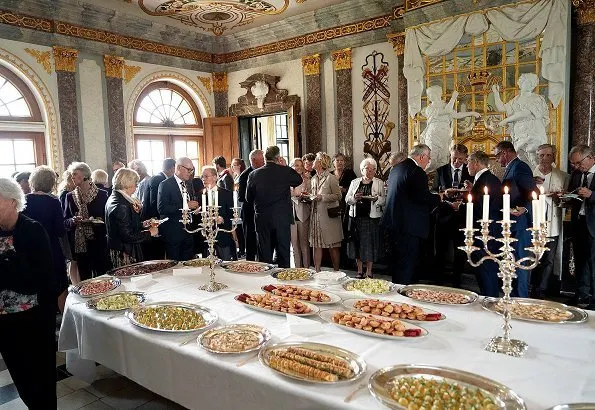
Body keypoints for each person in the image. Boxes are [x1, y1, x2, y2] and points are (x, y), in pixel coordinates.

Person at [0, 177, 57, 408]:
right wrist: (9, 265)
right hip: (4, 320)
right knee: (20, 374)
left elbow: (39, 279)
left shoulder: (32, 229)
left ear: (13, 202)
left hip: (34, 318)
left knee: (41, 376)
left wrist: (7, 269)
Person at [381, 144, 441, 285]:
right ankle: (404, 301)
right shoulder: (416, 171)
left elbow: (406, 195)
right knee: (407, 268)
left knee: (397, 266)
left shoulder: (396, 168)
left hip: (393, 224)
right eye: (428, 158)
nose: (428, 162)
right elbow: (422, 197)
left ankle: (398, 297)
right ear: (422, 157)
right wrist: (440, 197)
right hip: (409, 227)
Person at [22, 166, 69, 312]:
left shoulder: (24, 200)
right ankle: (64, 320)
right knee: (60, 284)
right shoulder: (53, 201)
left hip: (30, 249)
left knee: (39, 283)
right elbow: (60, 230)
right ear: (51, 183)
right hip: (51, 248)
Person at [494, 140, 537, 297]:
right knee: (511, 263)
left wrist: (525, 209)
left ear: (504, 153)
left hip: (520, 224)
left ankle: (522, 300)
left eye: (497, 156)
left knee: (520, 263)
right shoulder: (512, 167)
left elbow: (534, 193)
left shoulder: (520, 167)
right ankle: (512, 299)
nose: (497, 160)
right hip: (511, 224)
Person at [246, 146, 302, 267]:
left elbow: (248, 199)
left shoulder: (254, 174)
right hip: (281, 218)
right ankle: (284, 282)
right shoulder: (285, 171)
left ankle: (265, 282)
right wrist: (285, 166)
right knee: (283, 252)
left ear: (265, 158)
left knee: (264, 253)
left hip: (262, 219)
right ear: (278, 157)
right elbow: (298, 180)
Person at [532, 144, 569, 298]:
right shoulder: (529, 174)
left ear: (554, 156)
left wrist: (560, 197)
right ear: (537, 156)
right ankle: (530, 287)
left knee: (548, 259)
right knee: (533, 256)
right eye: (541, 155)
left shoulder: (563, 176)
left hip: (552, 223)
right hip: (533, 223)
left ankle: (542, 289)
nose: (544, 159)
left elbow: (567, 201)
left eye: (548, 155)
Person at [463, 151, 503, 296]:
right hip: (488, 231)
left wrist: (460, 206)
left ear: (476, 163)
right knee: (484, 270)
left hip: (485, 233)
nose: (467, 166)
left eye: (468, 162)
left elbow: (479, 207)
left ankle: (490, 301)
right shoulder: (489, 179)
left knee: (485, 269)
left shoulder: (485, 181)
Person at [432, 144, 471, 287]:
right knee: (440, 251)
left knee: (460, 251)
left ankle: (457, 282)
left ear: (466, 158)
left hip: (462, 218)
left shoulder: (470, 171)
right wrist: (445, 196)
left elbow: (475, 193)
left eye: (461, 159)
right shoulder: (441, 171)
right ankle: (438, 281)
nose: (457, 162)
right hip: (443, 216)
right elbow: (434, 192)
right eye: (454, 158)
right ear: (450, 155)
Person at [64, 162, 111, 281]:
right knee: (85, 278)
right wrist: (73, 220)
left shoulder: (102, 195)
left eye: (75, 174)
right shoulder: (70, 196)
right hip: (80, 243)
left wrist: (98, 220)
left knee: (102, 275)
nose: (72, 177)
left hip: (99, 241)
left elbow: (108, 219)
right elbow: (65, 221)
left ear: (85, 175)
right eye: (71, 175)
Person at [492, 73, 549, 169]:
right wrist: (495, 93)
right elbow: (502, 108)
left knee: (535, 158)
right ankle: (526, 181)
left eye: (533, 83)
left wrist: (506, 120)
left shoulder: (536, 98)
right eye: (529, 82)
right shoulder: (515, 100)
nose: (531, 85)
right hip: (519, 133)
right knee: (522, 160)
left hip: (532, 131)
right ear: (521, 83)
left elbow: (526, 113)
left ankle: (541, 181)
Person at [106, 168, 158, 267]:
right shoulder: (121, 204)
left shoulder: (115, 197)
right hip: (125, 252)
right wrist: (149, 233)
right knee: (130, 281)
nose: (137, 186)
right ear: (128, 184)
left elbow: (124, 225)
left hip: (121, 248)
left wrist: (142, 224)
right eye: (136, 183)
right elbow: (127, 236)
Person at [421, 86, 480, 172]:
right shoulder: (429, 108)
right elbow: (446, 111)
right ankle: (424, 175)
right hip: (433, 133)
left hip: (444, 133)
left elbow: (456, 115)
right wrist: (453, 98)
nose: (428, 97)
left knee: (443, 159)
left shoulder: (445, 105)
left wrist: (472, 113)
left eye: (429, 94)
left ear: (436, 94)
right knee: (432, 159)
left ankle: (441, 179)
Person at [345, 158, 386, 278]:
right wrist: (355, 198)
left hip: (372, 218)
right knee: (357, 244)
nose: (370, 172)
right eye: (367, 169)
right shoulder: (355, 182)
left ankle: (369, 271)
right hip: (356, 218)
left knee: (370, 245)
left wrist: (376, 199)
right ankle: (359, 270)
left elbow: (384, 200)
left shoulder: (379, 182)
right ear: (362, 170)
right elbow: (347, 199)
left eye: (372, 170)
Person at [566, 144, 595, 309]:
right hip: (578, 223)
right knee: (580, 261)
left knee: (593, 264)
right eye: (574, 164)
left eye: (578, 163)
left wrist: (591, 195)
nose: (576, 167)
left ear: (590, 157)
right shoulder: (576, 174)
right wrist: (565, 196)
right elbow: (572, 194)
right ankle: (581, 296)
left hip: (593, 225)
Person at [157, 157, 199, 261]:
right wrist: (185, 206)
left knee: (188, 265)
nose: (190, 173)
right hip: (173, 233)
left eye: (192, 170)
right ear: (179, 167)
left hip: (188, 231)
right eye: (189, 170)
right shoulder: (165, 184)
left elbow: (188, 205)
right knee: (175, 266)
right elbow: (162, 209)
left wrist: (194, 210)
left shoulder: (188, 183)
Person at [308, 152, 343, 272]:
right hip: (315, 216)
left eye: (315, 160)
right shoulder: (313, 179)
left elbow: (338, 196)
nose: (313, 162)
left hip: (329, 217)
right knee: (316, 245)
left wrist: (322, 197)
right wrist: (307, 196)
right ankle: (317, 271)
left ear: (321, 163)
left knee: (333, 245)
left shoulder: (331, 178)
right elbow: (313, 195)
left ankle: (336, 272)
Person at [140, 158, 175, 260]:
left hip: (154, 220)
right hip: (153, 220)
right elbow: (154, 202)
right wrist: (158, 221)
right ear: (173, 168)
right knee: (156, 254)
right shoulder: (159, 179)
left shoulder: (157, 177)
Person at [200, 166, 237, 260]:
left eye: (206, 176)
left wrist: (222, 219)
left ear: (215, 177)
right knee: (208, 267)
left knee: (226, 266)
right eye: (202, 177)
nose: (203, 179)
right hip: (206, 238)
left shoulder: (226, 194)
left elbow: (232, 216)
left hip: (223, 237)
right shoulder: (200, 195)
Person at [238, 149, 264, 261]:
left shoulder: (264, 173)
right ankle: (250, 263)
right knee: (250, 240)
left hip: (262, 213)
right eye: (262, 160)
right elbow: (241, 197)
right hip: (249, 213)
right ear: (254, 160)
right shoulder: (245, 175)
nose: (264, 162)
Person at [332, 153, 357, 268]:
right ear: (333, 162)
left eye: (342, 160)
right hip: (333, 206)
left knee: (346, 232)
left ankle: (348, 260)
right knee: (335, 233)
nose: (340, 162)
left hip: (346, 206)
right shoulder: (330, 174)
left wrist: (344, 190)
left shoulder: (349, 173)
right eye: (337, 160)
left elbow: (355, 188)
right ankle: (337, 261)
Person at [290, 158, 311, 268]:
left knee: (304, 245)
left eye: (299, 165)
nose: (297, 167)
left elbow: (311, 195)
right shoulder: (286, 180)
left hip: (303, 213)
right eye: (295, 165)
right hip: (290, 215)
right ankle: (297, 269)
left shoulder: (307, 180)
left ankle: (307, 269)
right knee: (294, 245)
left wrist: (304, 196)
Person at [231, 158, 246, 257]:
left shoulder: (242, 176)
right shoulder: (236, 176)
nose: (232, 167)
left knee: (240, 228)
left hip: (240, 204)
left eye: (234, 165)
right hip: (236, 203)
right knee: (237, 228)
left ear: (239, 166)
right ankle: (240, 248)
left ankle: (242, 249)